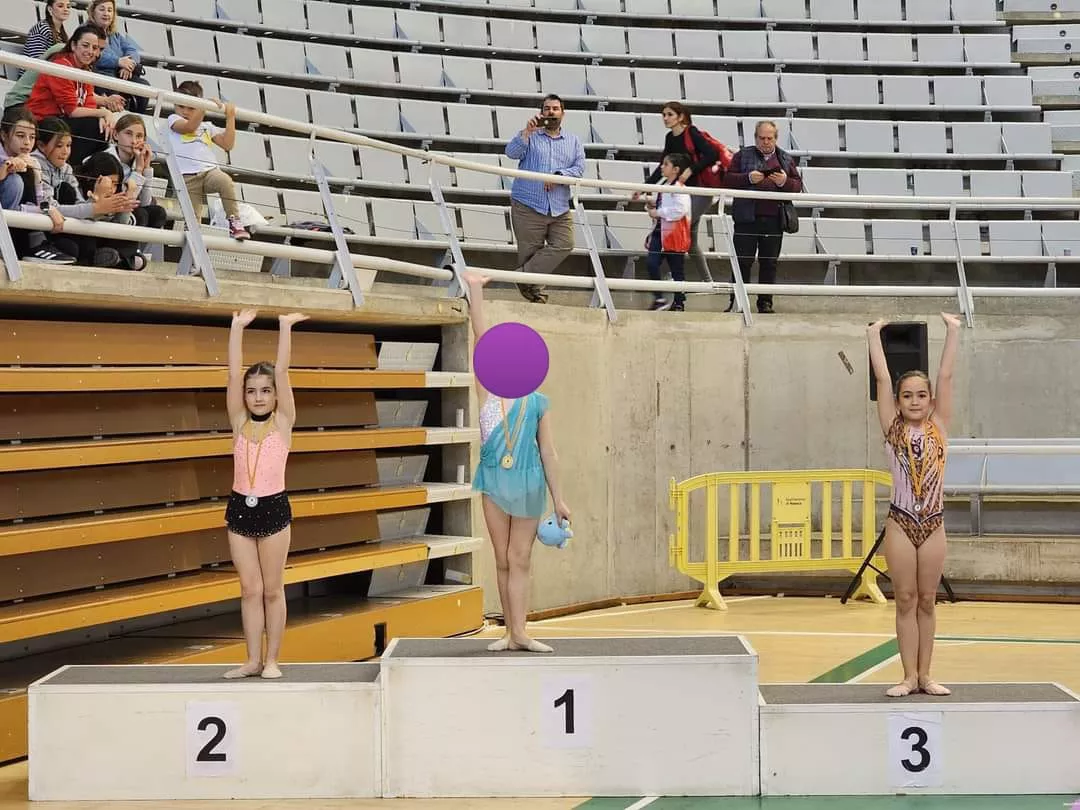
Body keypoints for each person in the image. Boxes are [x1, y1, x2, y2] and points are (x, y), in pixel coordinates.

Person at [463, 270, 570, 653]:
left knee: (519, 556)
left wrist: (559, 499)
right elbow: (480, 337)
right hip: (493, 480)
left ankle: (522, 632)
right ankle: (509, 632)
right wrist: (475, 290)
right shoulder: (487, 391)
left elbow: (548, 451)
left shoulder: (538, 402)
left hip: (527, 484)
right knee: (502, 559)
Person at [867, 313, 962, 698]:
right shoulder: (892, 428)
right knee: (904, 598)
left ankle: (926, 675)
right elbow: (882, 379)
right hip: (902, 522)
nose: (914, 401)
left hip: (933, 522)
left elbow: (946, 377)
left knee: (927, 599)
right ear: (898, 402)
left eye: (921, 395)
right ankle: (908, 676)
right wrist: (874, 335)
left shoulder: (939, 424)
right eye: (907, 396)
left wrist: (953, 331)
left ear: (931, 400)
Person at [223, 308, 309, 679]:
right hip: (240, 508)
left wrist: (284, 327)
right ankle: (252, 659)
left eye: (265, 391)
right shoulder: (238, 422)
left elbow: (285, 371)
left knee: (272, 589)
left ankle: (273, 659)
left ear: (275, 395)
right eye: (251, 391)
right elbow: (230, 373)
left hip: (274, 508)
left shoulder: (284, 422)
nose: (258, 397)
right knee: (248, 589)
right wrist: (236, 328)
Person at [504, 93, 585, 304]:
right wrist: (526, 132)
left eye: (555, 108)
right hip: (528, 203)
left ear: (563, 113)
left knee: (565, 243)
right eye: (547, 108)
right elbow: (511, 153)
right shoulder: (530, 136)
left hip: (559, 205)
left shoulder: (573, 141)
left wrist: (559, 176)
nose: (551, 112)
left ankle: (522, 277)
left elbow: (579, 168)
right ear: (541, 113)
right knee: (530, 251)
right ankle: (536, 294)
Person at [167, 80, 249, 240]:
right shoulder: (173, 119)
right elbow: (189, 127)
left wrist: (230, 117)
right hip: (187, 177)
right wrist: (204, 106)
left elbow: (228, 144)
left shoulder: (207, 126)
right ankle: (192, 256)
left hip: (209, 171)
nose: (185, 111)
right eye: (181, 106)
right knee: (192, 221)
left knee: (225, 181)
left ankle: (234, 221)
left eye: (191, 108)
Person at [644, 153, 692, 312]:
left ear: (675, 169)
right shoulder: (664, 186)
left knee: (677, 269)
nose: (662, 167)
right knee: (652, 263)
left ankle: (679, 302)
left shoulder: (679, 188)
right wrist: (654, 207)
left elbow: (680, 210)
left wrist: (658, 212)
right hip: (661, 232)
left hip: (674, 234)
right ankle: (659, 298)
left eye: (666, 164)